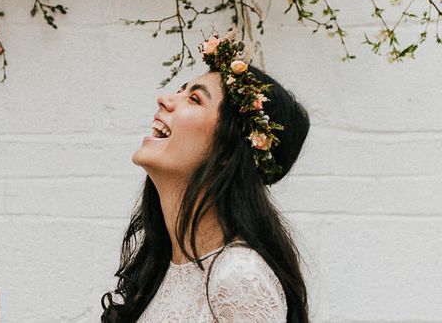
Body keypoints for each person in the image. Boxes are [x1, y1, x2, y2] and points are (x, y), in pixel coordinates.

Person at [101, 30, 310, 323]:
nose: (164, 99)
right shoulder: (161, 268)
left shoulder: (238, 278)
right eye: (180, 90)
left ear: (227, 154)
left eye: (195, 99)